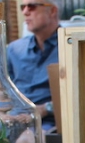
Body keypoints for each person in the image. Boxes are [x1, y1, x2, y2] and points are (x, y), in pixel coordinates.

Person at [7, 0, 61, 132]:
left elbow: (80, 94)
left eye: (32, 6)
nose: (25, 12)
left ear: (52, 11)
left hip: (50, 123)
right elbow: (2, 91)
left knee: (27, 141)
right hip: (12, 121)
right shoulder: (13, 50)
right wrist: (1, 113)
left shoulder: (71, 46)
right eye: (23, 7)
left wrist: (45, 109)